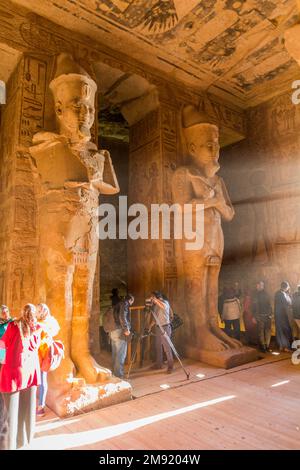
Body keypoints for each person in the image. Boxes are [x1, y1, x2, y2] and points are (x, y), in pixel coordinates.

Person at [0, 304, 41, 449]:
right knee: (27, 409)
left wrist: (1, 360)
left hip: (13, 371)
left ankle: (11, 445)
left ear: (22, 312)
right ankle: (25, 440)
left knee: (11, 413)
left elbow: (2, 344)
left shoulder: (13, 326)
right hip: (31, 371)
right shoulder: (38, 327)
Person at [36, 303, 60, 417]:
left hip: (43, 354)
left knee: (42, 379)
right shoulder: (39, 322)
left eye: (40, 310)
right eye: (38, 310)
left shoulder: (48, 323)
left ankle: (40, 407)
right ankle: (36, 405)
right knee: (38, 380)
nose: (38, 312)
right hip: (36, 354)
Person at [148, 291, 174, 374]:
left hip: (165, 327)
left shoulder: (165, 302)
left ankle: (170, 366)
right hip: (158, 328)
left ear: (156, 297)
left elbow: (163, 307)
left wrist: (155, 300)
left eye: (152, 297)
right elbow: (155, 317)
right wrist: (150, 326)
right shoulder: (155, 306)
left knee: (166, 348)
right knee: (158, 346)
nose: (151, 299)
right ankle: (158, 364)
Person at [109, 294, 134, 379]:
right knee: (121, 353)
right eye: (132, 302)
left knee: (115, 352)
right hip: (119, 330)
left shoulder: (117, 304)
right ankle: (118, 375)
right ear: (130, 300)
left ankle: (114, 372)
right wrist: (126, 329)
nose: (131, 304)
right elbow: (122, 316)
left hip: (112, 330)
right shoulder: (125, 304)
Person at [252, 281, 272, 352]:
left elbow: (254, 306)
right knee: (267, 331)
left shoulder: (256, 295)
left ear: (261, 286)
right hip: (266, 316)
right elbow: (270, 305)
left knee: (261, 332)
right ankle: (266, 346)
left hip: (261, 316)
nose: (257, 286)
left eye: (258, 285)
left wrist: (254, 316)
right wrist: (270, 314)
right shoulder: (266, 294)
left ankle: (264, 347)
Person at [274, 281, 293, 352]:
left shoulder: (279, 293)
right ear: (286, 287)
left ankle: (282, 346)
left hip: (280, 315)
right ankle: (286, 347)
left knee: (281, 331)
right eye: (288, 286)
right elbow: (288, 303)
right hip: (282, 316)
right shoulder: (281, 294)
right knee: (285, 331)